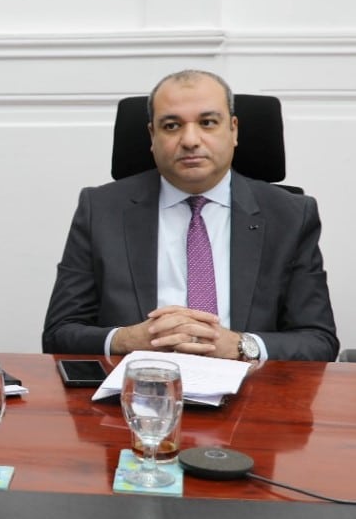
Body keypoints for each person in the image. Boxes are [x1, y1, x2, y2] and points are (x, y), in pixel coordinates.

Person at [42, 70, 338, 361]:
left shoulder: (290, 216)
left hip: (250, 386)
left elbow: (318, 340)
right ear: (152, 135)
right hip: (141, 384)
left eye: (208, 123)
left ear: (233, 130)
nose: (190, 140)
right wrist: (128, 339)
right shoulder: (100, 209)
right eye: (172, 126)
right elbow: (59, 332)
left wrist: (240, 345)